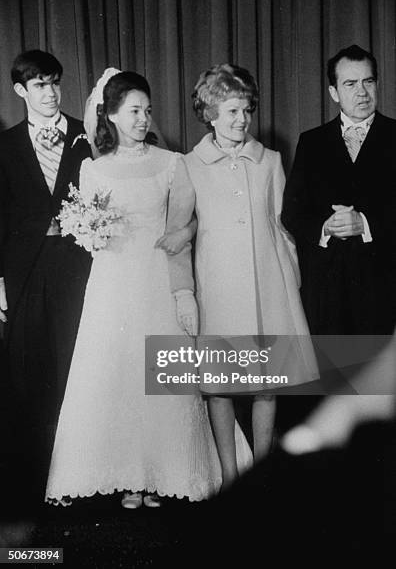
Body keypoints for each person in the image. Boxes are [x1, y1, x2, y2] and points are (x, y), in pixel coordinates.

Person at [45, 70, 250, 508]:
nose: (142, 119)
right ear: (113, 116)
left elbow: (191, 219)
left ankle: (162, 473)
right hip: (113, 284)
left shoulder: (172, 163)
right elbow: (87, 228)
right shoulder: (93, 169)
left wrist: (185, 234)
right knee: (118, 376)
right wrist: (89, 230)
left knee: (160, 377)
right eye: (134, 111)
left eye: (147, 110)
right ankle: (128, 477)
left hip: (159, 278)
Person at [182, 63, 318, 489]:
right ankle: (228, 474)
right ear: (210, 114)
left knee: (265, 384)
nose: (242, 120)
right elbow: (183, 231)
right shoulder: (189, 165)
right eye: (232, 112)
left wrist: (288, 278)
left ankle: (262, 474)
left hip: (268, 286)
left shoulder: (270, 160)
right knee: (219, 386)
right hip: (217, 287)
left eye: (246, 111)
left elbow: (284, 226)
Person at [0, 50, 92, 502]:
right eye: (39, 85)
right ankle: (37, 480)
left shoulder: (86, 133)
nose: (50, 93)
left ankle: (76, 476)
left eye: (55, 82)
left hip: (79, 269)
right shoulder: (5, 145)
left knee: (75, 367)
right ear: (20, 91)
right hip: (26, 273)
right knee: (30, 373)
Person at [281, 44, 396, 337]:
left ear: (377, 84)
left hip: (383, 288)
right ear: (334, 92)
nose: (362, 92)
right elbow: (292, 213)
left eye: (368, 81)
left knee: (379, 381)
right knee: (333, 379)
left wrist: (366, 224)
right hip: (326, 291)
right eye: (350, 83)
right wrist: (325, 227)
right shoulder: (311, 142)